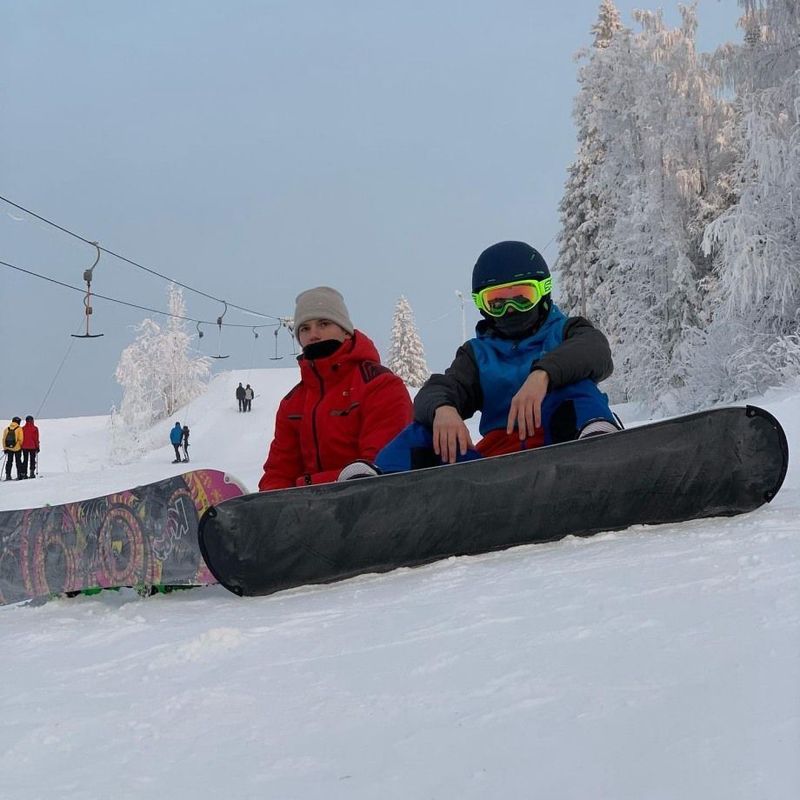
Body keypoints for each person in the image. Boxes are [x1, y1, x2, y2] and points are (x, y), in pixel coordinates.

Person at [376, 241, 619, 472]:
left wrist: (543, 374)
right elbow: (440, 388)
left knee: (575, 383)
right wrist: (442, 409)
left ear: (542, 292)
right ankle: (378, 481)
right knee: (427, 429)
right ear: (482, 306)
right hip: (497, 465)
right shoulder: (478, 355)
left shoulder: (566, 331)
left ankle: (597, 443)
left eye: (522, 297)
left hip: (561, 444)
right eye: (496, 302)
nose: (510, 309)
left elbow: (595, 351)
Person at [258, 286, 413, 490]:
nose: (313, 334)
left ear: (346, 332)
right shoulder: (293, 403)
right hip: (308, 512)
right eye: (304, 328)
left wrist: (307, 485)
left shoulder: (379, 385)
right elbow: (279, 471)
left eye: (323, 324)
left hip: (375, 506)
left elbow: (378, 469)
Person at [2, 417, 24, 481]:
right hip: (17, 448)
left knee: (9, 462)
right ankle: (19, 475)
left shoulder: (7, 429)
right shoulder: (19, 428)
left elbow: (3, 439)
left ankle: (8, 475)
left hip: (9, 449)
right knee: (18, 462)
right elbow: (21, 439)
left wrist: (5, 448)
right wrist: (20, 446)